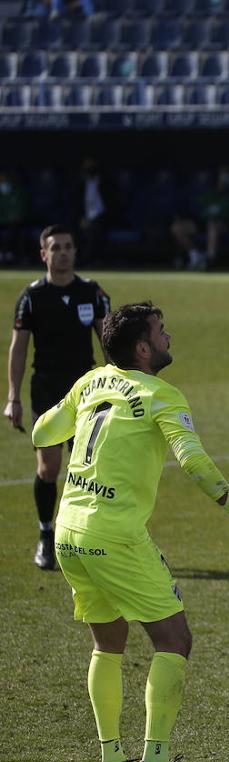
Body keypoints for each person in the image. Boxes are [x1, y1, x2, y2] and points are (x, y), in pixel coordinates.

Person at [31, 301, 229, 762]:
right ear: (142, 347)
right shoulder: (162, 394)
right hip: (113, 534)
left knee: (108, 643)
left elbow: (41, 432)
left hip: (69, 529)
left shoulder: (90, 381)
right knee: (175, 640)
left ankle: (111, 758)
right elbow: (193, 461)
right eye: (161, 331)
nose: (169, 336)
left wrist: (81, 410)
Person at [6, 224, 109, 569]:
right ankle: (46, 535)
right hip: (47, 389)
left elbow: (109, 344)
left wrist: (118, 387)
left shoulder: (93, 293)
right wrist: (13, 398)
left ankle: (86, 539)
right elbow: (19, 350)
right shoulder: (32, 297)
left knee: (90, 469)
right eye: (56, 247)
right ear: (43, 254)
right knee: (49, 468)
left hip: (87, 390)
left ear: (75, 252)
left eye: (68, 246)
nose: (63, 252)